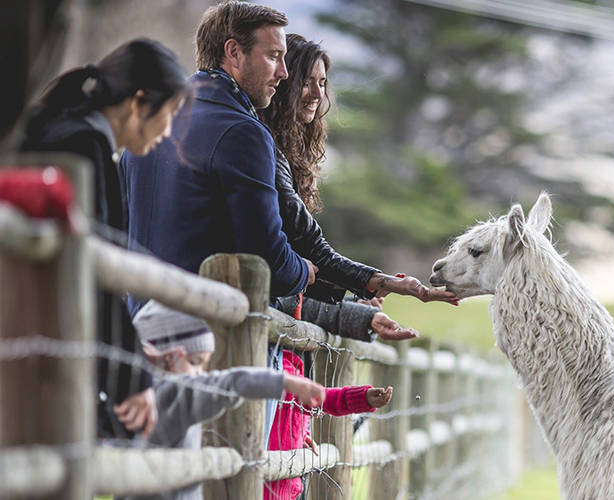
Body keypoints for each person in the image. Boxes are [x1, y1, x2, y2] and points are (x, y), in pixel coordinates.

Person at [20, 38, 189, 438]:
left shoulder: (50, 127)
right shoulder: (86, 148)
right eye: (170, 114)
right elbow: (95, 275)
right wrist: (131, 378)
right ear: (139, 104)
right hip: (36, 349)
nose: (168, 131)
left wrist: (130, 352)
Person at [258, 34, 458, 344]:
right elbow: (310, 251)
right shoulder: (263, 150)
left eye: (322, 83)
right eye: (306, 81)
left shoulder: (289, 155)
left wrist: (362, 312)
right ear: (283, 80)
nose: (315, 94)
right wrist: (388, 283)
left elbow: (300, 283)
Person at [120, 0, 313, 309]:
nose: (285, 72)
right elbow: (267, 259)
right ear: (233, 52)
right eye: (274, 56)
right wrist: (303, 271)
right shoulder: (243, 131)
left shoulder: (148, 122)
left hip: (136, 330)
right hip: (205, 338)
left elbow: (119, 229)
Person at [130, 301, 327, 500]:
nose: (200, 375)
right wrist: (284, 381)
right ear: (169, 357)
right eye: (194, 362)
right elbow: (231, 383)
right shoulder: (174, 395)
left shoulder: (138, 395)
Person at [264, 348, 392, 500]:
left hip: (284, 483)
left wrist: (298, 434)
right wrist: (360, 398)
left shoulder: (281, 359)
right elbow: (310, 398)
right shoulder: (272, 363)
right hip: (268, 486)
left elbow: (290, 408)